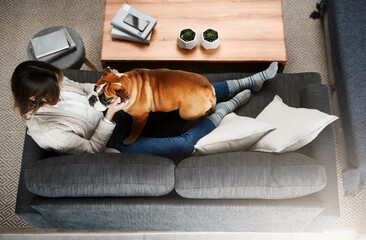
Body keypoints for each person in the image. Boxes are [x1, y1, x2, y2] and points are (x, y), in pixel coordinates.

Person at [11, 61, 278, 158]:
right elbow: (92, 150)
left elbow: (82, 88)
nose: (62, 83)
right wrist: (111, 115)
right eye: (56, 87)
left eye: (59, 79)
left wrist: (110, 85)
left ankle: (245, 81)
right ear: (35, 98)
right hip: (109, 138)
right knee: (181, 147)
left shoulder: (56, 83)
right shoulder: (47, 133)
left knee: (186, 90)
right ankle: (223, 110)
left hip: (113, 109)